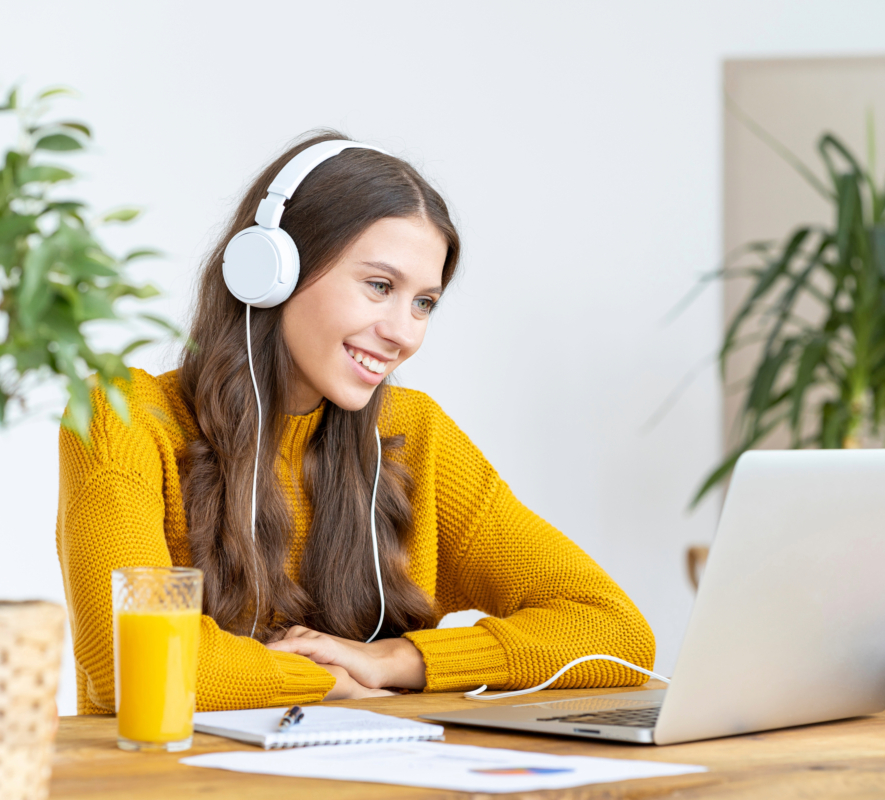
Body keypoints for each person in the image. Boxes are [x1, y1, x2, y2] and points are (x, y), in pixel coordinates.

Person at [56, 130, 656, 713]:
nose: (404, 333)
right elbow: (128, 662)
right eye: (379, 286)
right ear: (273, 273)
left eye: (424, 303)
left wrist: (396, 661)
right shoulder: (125, 416)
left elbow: (617, 631)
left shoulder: (413, 434)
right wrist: (330, 686)